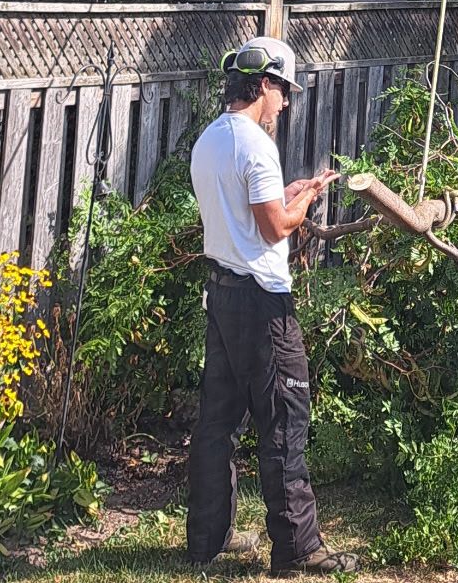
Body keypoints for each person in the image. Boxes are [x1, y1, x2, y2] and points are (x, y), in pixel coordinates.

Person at [186, 40, 352, 574]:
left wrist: (288, 192)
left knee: (218, 422)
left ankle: (207, 540)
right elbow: (275, 227)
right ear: (264, 85)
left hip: (222, 295)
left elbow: (243, 212)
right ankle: (298, 548)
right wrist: (305, 200)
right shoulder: (256, 145)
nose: (285, 102)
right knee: (285, 416)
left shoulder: (210, 140)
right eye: (284, 91)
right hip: (263, 305)